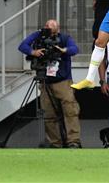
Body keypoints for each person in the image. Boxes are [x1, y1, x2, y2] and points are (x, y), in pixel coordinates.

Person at [18, 19, 82, 148]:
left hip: (63, 81)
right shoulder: (38, 35)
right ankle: (55, 142)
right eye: (47, 26)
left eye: (52, 28)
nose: (49, 30)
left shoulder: (64, 38)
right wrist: (34, 52)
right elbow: (22, 46)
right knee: (48, 113)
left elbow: (75, 49)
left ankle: (73, 141)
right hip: (45, 80)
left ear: (58, 29)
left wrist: (62, 50)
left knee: (70, 111)